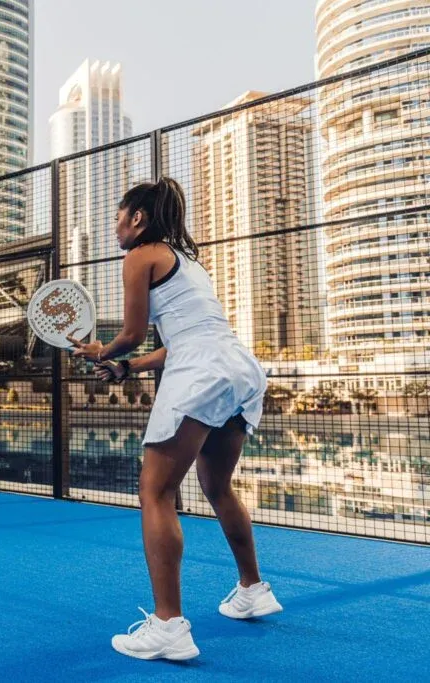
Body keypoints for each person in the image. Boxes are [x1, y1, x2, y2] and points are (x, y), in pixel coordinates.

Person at [68, 177, 282, 662]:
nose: (115, 229)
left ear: (137, 218)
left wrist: (102, 350)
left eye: (118, 219)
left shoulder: (139, 256)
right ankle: (253, 589)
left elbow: (131, 333)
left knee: (155, 492)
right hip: (238, 368)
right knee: (217, 486)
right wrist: (127, 367)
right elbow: (182, 340)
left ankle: (168, 625)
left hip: (201, 370)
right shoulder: (189, 263)